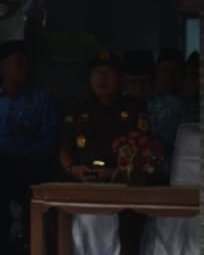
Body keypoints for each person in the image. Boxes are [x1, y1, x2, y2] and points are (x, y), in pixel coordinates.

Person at [59, 51, 152, 254]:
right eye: (97, 73)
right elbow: (65, 149)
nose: (102, 79)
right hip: (82, 185)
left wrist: (113, 173)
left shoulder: (135, 109)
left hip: (120, 187)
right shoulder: (78, 109)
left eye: (108, 73)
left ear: (120, 78)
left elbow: (144, 154)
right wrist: (73, 169)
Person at [0, 40, 60, 255]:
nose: (24, 68)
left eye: (27, 62)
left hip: (31, 168)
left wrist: (23, 156)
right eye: (18, 62)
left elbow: (51, 140)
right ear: (2, 66)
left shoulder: (41, 101)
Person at [122, 48, 186, 170]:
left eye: (144, 81)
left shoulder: (173, 107)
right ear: (123, 82)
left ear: (154, 79)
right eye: (132, 82)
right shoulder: (117, 107)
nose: (139, 88)